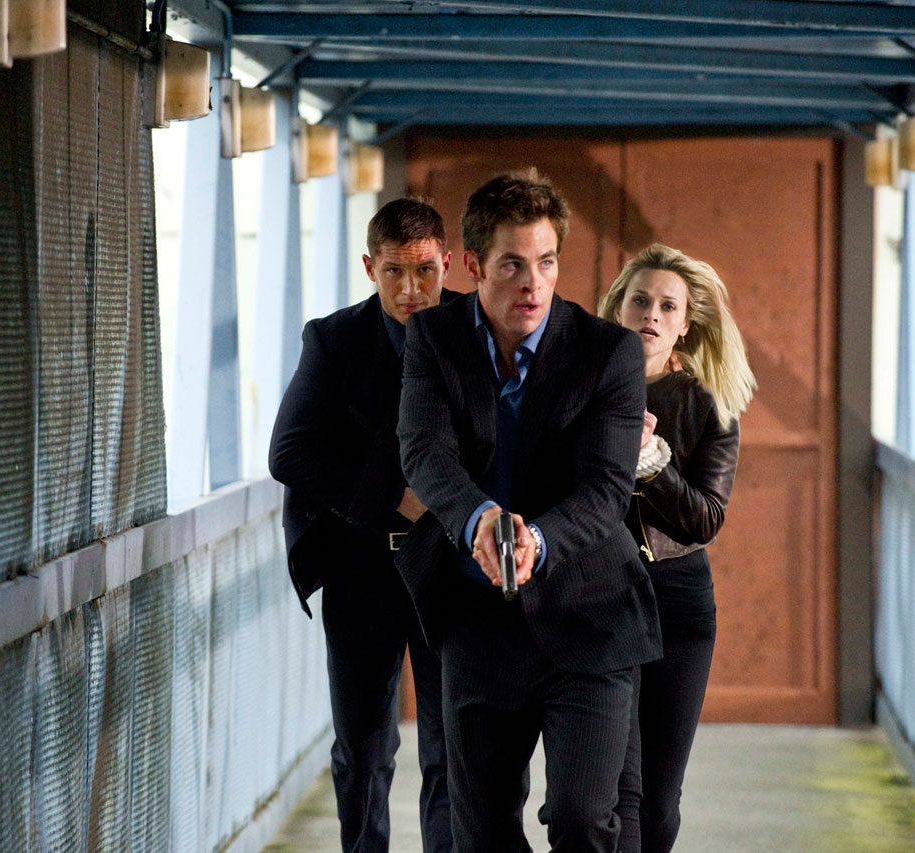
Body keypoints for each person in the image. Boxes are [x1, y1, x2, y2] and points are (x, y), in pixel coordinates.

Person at [394, 170, 662, 853]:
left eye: (546, 262)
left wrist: (535, 540)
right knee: (481, 831)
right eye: (512, 264)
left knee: (581, 817)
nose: (532, 284)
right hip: (478, 619)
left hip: (590, 611)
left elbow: (605, 488)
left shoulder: (608, 352)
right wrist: (480, 518)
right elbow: (424, 452)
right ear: (474, 265)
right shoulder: (434, 339)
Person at [269, 198, 456, 853]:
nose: (411, 289)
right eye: (394, 271)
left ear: (448, 263)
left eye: (425, 270)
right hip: (361, 563)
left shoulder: (477, 330)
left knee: (454, 747)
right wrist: (392, 500)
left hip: (451, 564)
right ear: (369, 267)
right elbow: (288, 452)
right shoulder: (333, 339)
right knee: (363, 749)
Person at [597, 244, 756, 853]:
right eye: (640, 300)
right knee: (616, 792)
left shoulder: (707, 403)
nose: (651, 314)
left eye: (668, 306)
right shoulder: (579, 389)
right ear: (618, 307)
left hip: (677, 601)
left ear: (685, 324)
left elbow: (704, 519)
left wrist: (649, 461)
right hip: (601, 597)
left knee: (659, 800)